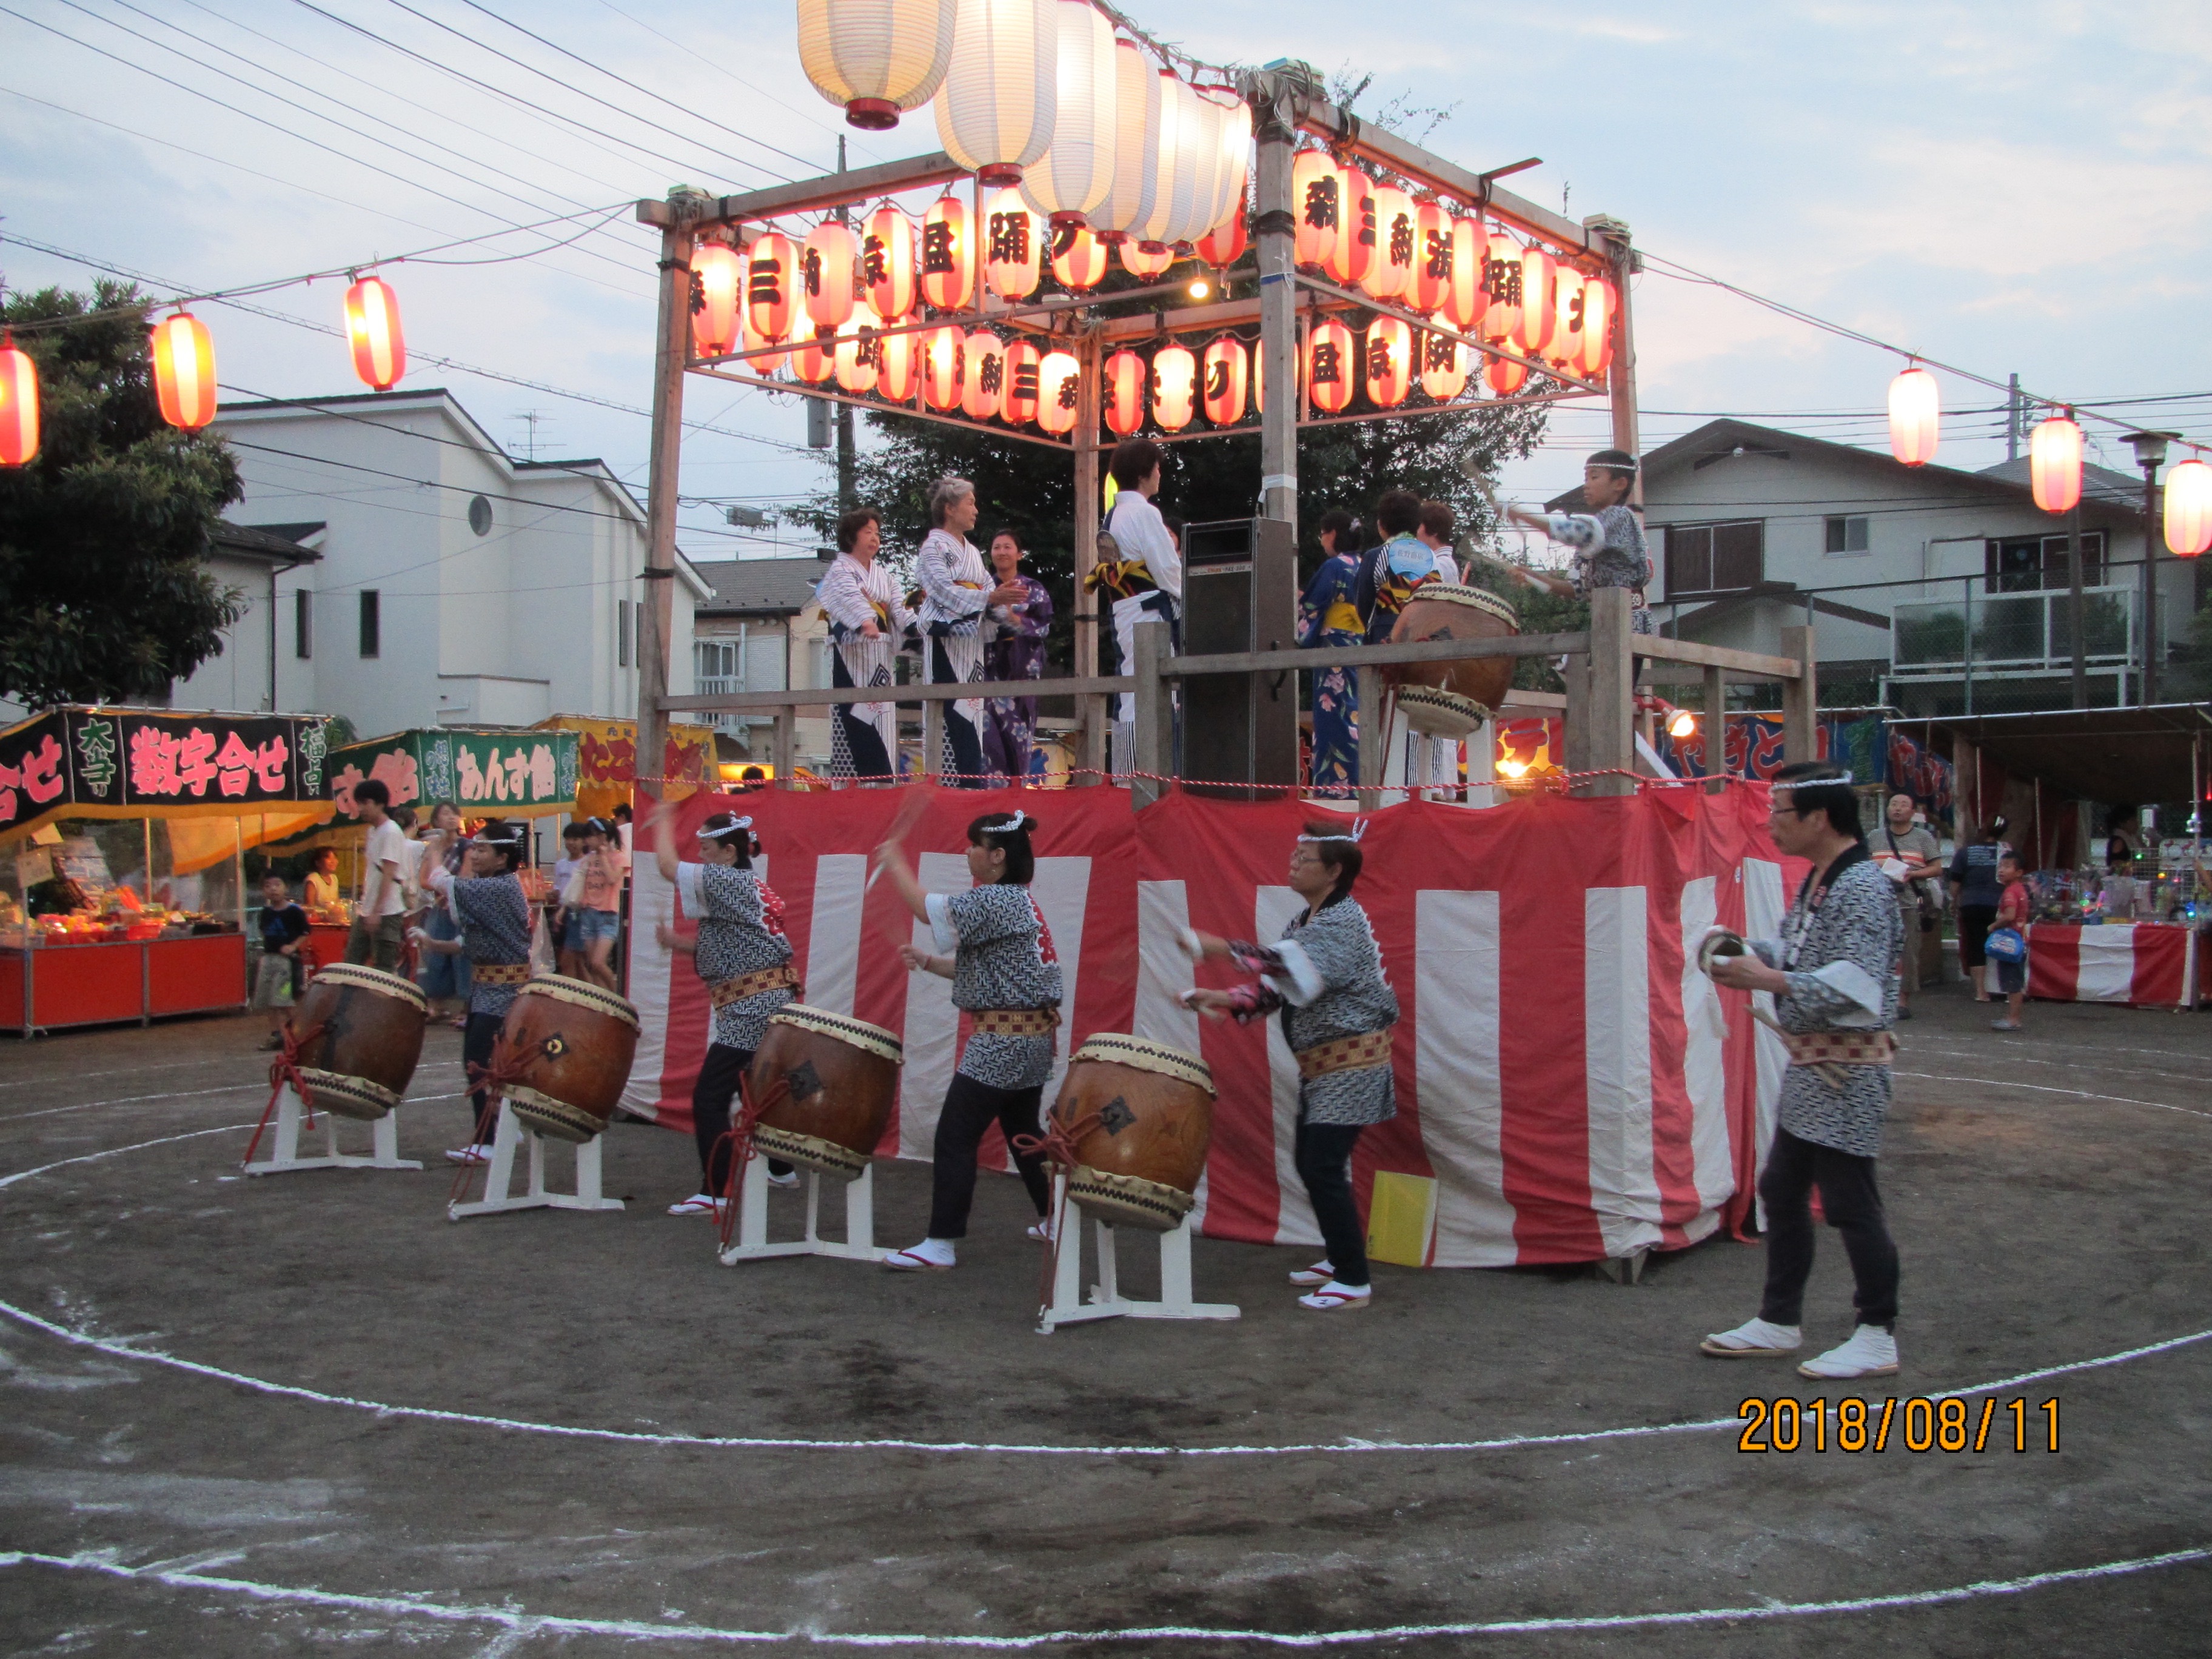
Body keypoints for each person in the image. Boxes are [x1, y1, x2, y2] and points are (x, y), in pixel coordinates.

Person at [1700, 763, 1903, 1381]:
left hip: (1847, 1072)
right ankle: (1779, 1318)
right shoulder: (1823, 878)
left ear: (1820, 818)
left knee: (1850, 1202)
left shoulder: (1862, 888)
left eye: (1780, 812)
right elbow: (1798, 952)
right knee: (1782, 1189)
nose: (1771, 824)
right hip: (1817, 1069)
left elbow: (1857, 987)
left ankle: (1877, 1332)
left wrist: (1769, 978)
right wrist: (1745, 952)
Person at [1181, 820, 1399, 1312]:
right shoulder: (1302, 924)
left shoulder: (1342, 922)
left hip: (1354, 1064)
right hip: (1326, 1066)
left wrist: (1217, 947)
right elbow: (1277, 987)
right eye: (1295, 856)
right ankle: (1340, 1257)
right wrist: (1218, 997)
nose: (1294, 864)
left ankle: (1353, 1280)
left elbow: (1282, 965)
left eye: (1305, 859)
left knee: (1321, 1165)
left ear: (1334, 871)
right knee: (1314, 1163)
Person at [875, 811, 1061, 1270]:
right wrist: (928, 961)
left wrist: (895, 860)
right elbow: (989, 972)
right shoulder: (1016, 901)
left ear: (997, 857)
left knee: (956, 1136)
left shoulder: (998, 899)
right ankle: (1056, 1219)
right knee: (1023, 1131)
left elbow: (925, 909)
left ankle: (941, 1242)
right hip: (1031, 1039)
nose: (968, 852)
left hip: (1002, 1042)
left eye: (976, 845)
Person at [649, 797, 800, 1215]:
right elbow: (737, 948)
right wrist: (679, 944)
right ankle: (781, 1169)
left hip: (752, 1007)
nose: (700, 857)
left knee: (710, 1096)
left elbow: (667, 867)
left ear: (729, 852)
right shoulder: (750, 885)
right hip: (764, 999)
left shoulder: (727, 880)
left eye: (705, 849)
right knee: (756, 1089)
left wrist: (662, 821)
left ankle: (715, 1189)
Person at [414, 819, 534, 1165]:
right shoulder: (495, 886)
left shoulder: (496, 888)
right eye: (474, 848)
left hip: (503, 989)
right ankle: (504, 1127)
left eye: (482, 849)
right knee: (490, 1060)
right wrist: (432, 943)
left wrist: (436, 847)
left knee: (478, 1061)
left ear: (502, 858)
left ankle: (488, 1140)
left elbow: (440, 880)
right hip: (492, 986)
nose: (474, 854)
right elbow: (469, 941)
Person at [1085, 439, 1182, 768]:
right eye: (1157, 467)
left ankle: (1127, 771)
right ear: (1144, 473)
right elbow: (1168, 570)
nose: (1159, 474)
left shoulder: (1114, 515)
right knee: (1151, 690)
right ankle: (1146, 772)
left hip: (1125, 608)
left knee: (1132, 689)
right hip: (1149, 610)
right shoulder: (1144, 512)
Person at [917, 477, 1019, 788]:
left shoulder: (972, 551)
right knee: (954, 717)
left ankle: (972, 786)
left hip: (972, 642)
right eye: (970, 503)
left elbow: (988, 589)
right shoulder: (933, 547)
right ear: (949, 508)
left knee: (973, 713)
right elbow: (943, 590)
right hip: (945, 635)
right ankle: (954, 787)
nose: (976, 510)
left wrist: (1004, 611)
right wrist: (990, 598)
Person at [1498, 449, 1654, 634]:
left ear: (1620, 484)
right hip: (1609, 620)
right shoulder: (1598, 532)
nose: (1586, 486)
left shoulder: (1619, 517)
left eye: (1594, 478)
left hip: (1628, 622)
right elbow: (1580, 590)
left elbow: (1576, 533)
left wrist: (1520, 514)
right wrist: (1535, 578)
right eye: (1586, 479)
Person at [817, 508, 914, 783]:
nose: (874, 538)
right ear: (851, 537)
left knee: (883, 717)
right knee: (859, 718)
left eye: (877, 533)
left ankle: (883, 783)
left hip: (880, 653)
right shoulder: (841, 569)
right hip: (851, 650)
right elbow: (849, 597)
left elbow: (899, 610)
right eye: (867, 532)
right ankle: (870, 782)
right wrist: (865, 620)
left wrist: (917, 628)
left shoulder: (884, 576)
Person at [1297, 509, 1364, 797]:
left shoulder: (1334, 567)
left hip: (1335, 649)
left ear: (1333, 534)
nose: (1322, 540)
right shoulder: (1365, 565)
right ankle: (1362, 785)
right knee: (1358, 714)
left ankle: (1333, 789)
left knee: (1333, 718)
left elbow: (1311, 607)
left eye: (1323, 534)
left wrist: (1299, 605)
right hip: (1363, 647)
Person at [980, 527, 1053, 783]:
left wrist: (1014, 619)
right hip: (987, 677)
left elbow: (1043, 627)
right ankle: (991, 798)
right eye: (997, 547)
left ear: (1020, 554)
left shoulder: (1033, 589)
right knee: (988, 746)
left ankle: (1015, 797)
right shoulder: (983, 589)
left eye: (1007, 547)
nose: (1002, 552)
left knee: (1019, 748)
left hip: (1022, 678)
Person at [1875, 794, 1942, 1019]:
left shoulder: (1923, 837)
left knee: (1908, 952)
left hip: (1909, 903)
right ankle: (1878, 998)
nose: (1898, 808)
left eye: (1904, 805)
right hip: (1879, 903)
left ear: (1912, 812)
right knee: (1877, 950)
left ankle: (1902, 1000)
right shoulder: (1875, 837)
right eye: (1893, 804)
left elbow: (1937, 868)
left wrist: (1911, 874)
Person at [417, 802, 473, 1028]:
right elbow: (423, 879)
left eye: (454, 814)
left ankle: (466, 1007)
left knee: (463, 957)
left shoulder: (466, 846)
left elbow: (465, 878)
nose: (451, 818)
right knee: (434, 955)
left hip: (459, 907)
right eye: (445, 814)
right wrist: (442, 890)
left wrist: (444, 889)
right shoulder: (433, 848)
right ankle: (436, 1005)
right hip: (441, 906)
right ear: (435, 821)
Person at [343, 779, 408, 971]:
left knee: (383, 968)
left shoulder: (391, 831)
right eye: (359, 803)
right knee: (351, 963)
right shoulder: (372, 831)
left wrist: (377, 912)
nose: (361, 808)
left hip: (387, 912)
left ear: (380, 804)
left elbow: (389, 873)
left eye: (365, 803)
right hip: (368, 909)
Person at [1946, 816, 2011, 1002]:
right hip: (2000, 904)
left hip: (1971, 904)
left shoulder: (1966, 852)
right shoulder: (2007, 851)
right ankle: (2004, 988)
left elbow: (1955, 883)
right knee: (2003, 944)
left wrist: (1953, 901)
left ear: (1983, 829)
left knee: (1976, 946)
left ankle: (1981, 991)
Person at [568, 817, 626, 991]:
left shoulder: (619, 857)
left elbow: (612, 878)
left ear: (602, 836)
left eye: (590, 836)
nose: (587, 840)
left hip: (608, 913)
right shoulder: (588, 859)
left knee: (598, 962)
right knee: (592, 965)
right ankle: (601, 999)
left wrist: (603, 856)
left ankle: (617, 993)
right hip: (588, 912)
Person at [252, 873, 309, 1050]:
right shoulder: (266, 912)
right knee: (268, 1000)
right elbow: (264, 931)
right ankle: (277, 1034)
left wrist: (293, 946)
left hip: (286, 963)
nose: (273, 889)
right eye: (268, 886)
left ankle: (301, 1031)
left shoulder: (294, 911)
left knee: (284, 1001)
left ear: (286, 887)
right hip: (269, 959)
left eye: (277, 885)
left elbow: (305, 932)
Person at [1989, 851, 2031, 1033]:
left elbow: (2010, 915)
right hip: (2020, 941)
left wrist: (1993, 926)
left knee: (2013, 982)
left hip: (2011, 943)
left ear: (2019, 872)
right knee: (2015, 980)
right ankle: (2012, 1017)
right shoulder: (2020, 890)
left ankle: (2014, 1019)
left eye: (2007, 867)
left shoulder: (2010, 892)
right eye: (2000, 866)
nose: (2001, 870)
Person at [1416, 500, 1461, 583]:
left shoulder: (1443, 565)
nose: (1416, 532)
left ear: (1434, 530)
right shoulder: (1440, 563)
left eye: (1419, 526)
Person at [303, 847, 342, 917]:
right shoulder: (313, 880)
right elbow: (309, 908)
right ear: (318, 863)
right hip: (318, 920)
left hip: (333, 919)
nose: (333, 861)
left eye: (335, 857)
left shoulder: (334, 878)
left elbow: (337, 903)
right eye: (328, 857)